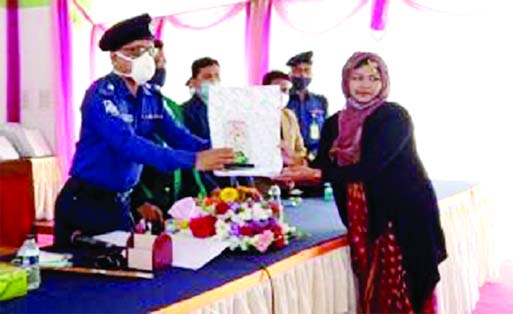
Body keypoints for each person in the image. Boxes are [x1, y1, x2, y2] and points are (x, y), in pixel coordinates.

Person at [54, 14, 233, 247]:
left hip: (121, 203)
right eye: (134, 51)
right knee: (82, 278)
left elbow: (179, 137)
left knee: (124, 272)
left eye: (148, 51)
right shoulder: (100, 94)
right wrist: (195, 160)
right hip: (86, 201)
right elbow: (128, 145)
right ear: (115, 58)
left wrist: (221, 149)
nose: (144, 58)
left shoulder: (152, 96)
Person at [314, 52, 447, 313]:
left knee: (407, 285)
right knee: (372, 284)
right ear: (346, 80)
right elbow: (322, 168)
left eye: (373, 78)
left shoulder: (394, 116)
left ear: (383, 82)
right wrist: (285, 166)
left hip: (404, 215)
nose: (365, 85)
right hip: (362, 219)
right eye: (358, 77)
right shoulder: (333, 123)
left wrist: (316, 173)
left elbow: (371, 166)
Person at [131, 39, 217, 219]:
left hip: (171, 198)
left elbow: (184, 145)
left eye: (164, 63)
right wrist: (138, 200)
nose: (162, 69)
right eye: (157, 63)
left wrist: (198, 191)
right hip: (144, 197)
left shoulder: (167, 105)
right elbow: (126, 153)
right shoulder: (123, 105)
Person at [286, 51, 328, 162]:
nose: (303, 75)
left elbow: (327, 134)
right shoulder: (284, 100)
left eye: (307, 71)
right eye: (298, 71)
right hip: (290, 158)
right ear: (290, 74)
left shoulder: (320, 101)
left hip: (315, 158)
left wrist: (312, 157)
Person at [262, 70, 307, 167]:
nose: (282, 94)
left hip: (290, 175)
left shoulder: (289, 116)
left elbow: (301, 150)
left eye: (285, 90)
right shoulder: (256, 117)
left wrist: (292, 156)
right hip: (261, 178)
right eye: (277, 90)